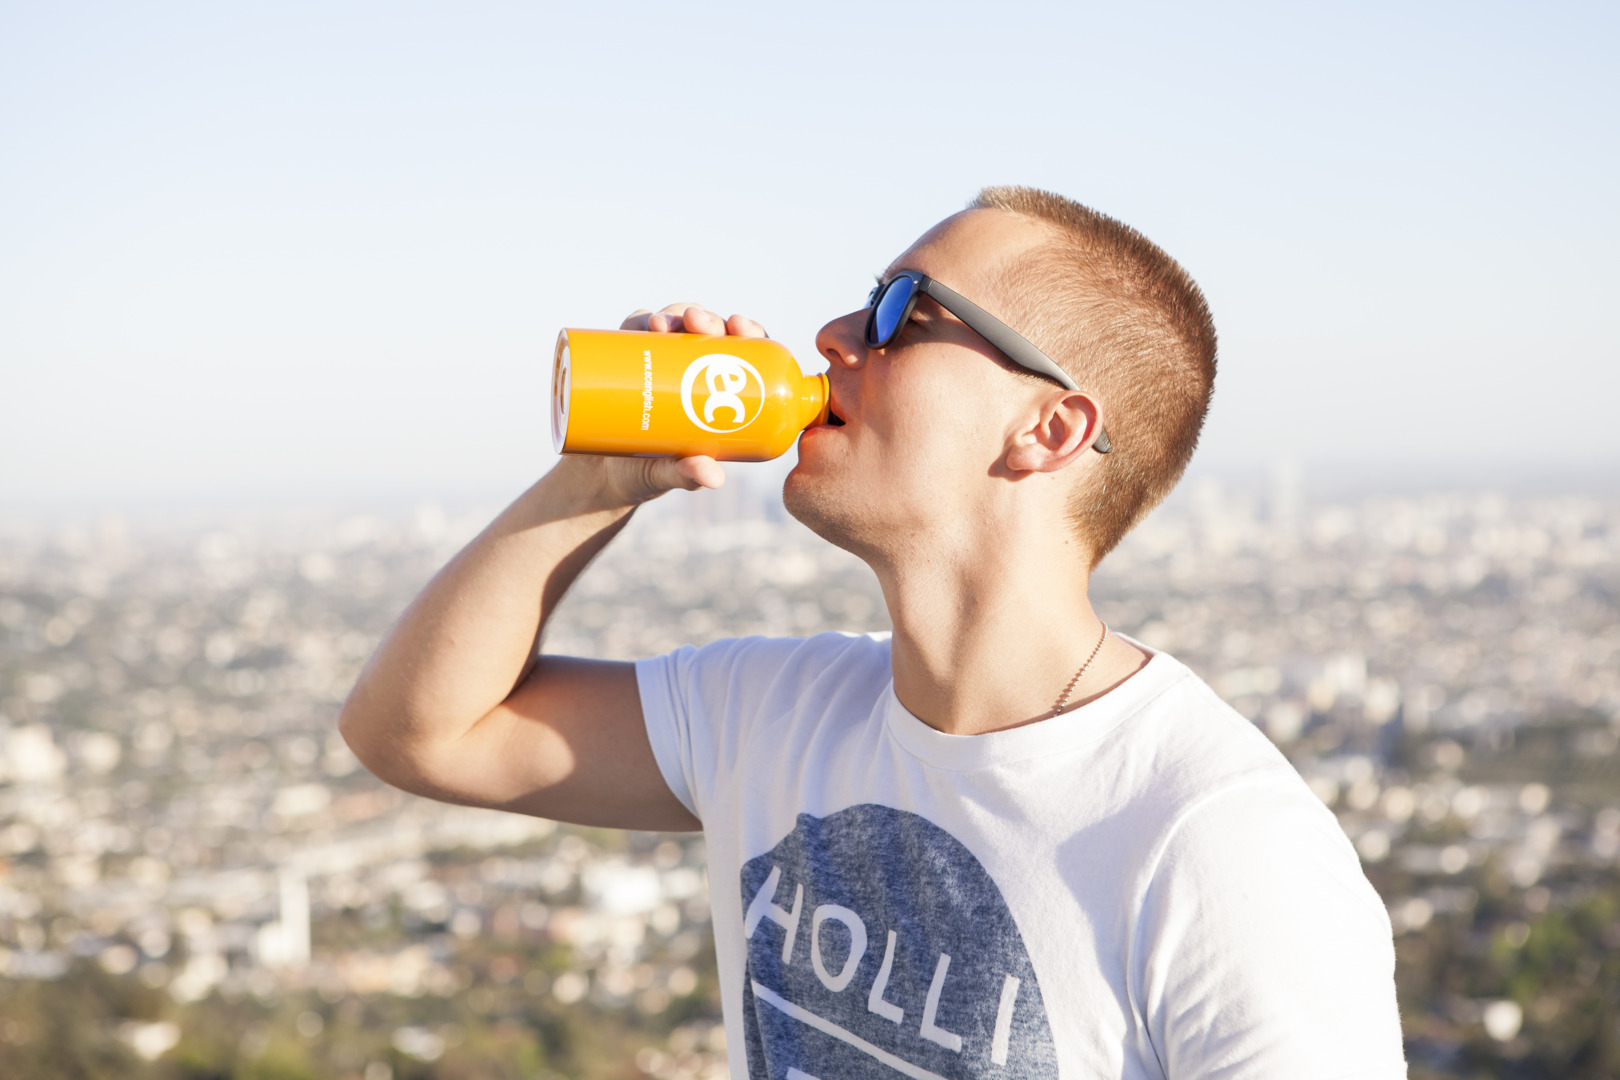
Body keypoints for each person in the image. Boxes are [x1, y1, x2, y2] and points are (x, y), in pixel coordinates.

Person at [339, 187, 1407, 1078]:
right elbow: (420, 733)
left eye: (902, 310)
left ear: (1048, 428)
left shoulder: (1219, 846)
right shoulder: (772, 715)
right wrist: (598, 481)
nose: (834, 336)